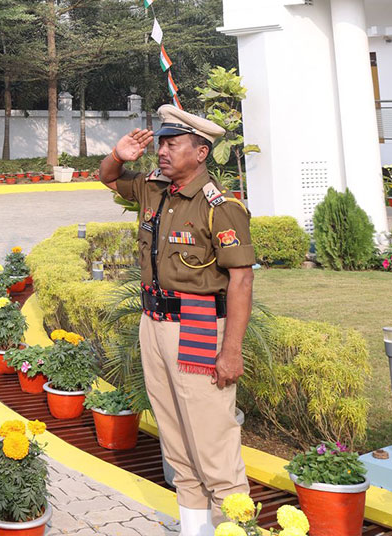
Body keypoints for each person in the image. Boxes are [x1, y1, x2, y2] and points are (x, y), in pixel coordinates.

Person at [99, 103, 254, 536]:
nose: (162, 151)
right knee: (174, 435)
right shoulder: (155, 189)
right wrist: (118, 155)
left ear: (201, 152)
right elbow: (107, 177)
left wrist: (232, 350)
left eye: (172, 144)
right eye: (161, 143)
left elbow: (241, 281)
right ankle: (195, 527)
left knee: (213, 442)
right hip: (154, 323)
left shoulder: (219, 207)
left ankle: (236, 529)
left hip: (199, 325)